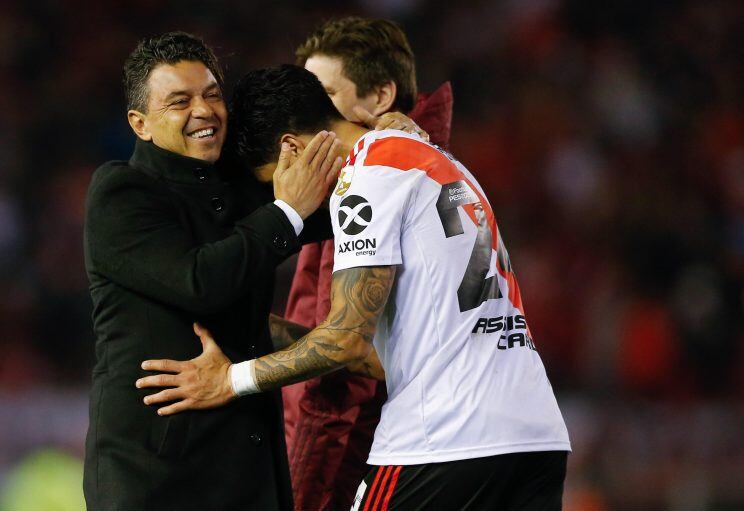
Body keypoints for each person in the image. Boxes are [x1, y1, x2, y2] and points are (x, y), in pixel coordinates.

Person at [137, 64, 571, 509]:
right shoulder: (436, 160)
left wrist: (231, 380)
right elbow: (384, 353)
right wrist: (247, 327)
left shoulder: (365, 176)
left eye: (275, 181)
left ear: (291, 149)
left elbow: (344, 341)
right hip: (536, 437)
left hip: (443, 440)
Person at [83, 32, 342, 511]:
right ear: (139, 124)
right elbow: (199, 282)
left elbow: (347, 206)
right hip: (158, 480)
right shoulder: (122, 193)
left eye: (212, 94)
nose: (203, 111)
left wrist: (383, 136)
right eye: (180, 101)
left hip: (249, 468)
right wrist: (287, 212)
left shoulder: (241, 183)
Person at [282, 17, 453, 509]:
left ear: (380, 96)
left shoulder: (373, 183)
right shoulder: (428, 169)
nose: (304, 117)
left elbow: (343, 373)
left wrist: (304, 494)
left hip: (353, 461)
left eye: (320, 96)